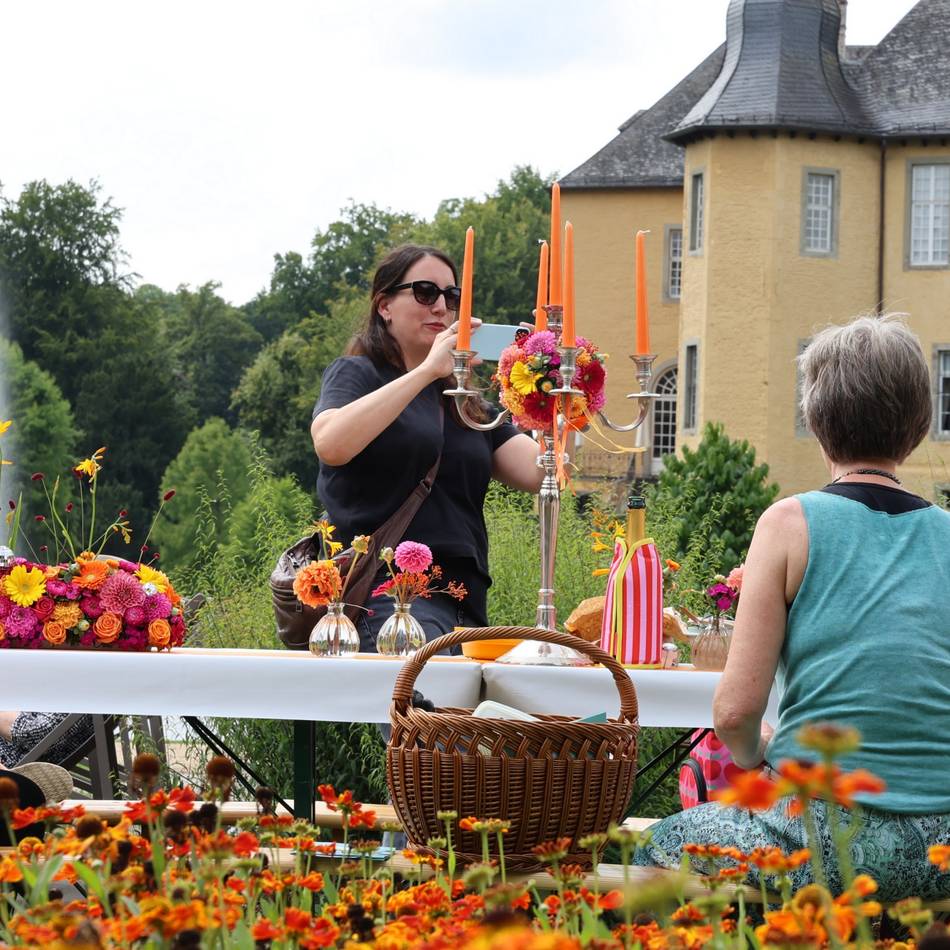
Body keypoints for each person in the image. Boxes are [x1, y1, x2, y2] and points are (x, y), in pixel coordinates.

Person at [635, 315, 950, 901]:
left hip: (827, 836)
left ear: (815, 416)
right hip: (944, 848)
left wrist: (761, 760)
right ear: (918, 424)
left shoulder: (789, 523)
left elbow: (732, 715)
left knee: (653, 848)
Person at [310, 244, 543, 651]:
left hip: (462, 602)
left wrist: (556, 398)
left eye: (452, 297)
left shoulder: (465, 402)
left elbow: (541, 473)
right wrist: (425, 372)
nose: (441, 307)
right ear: (385, 306)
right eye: (424, 292)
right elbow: (330, 443)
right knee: (422, 711)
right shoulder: (359, 373)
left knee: (472, 712)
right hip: (391, 597)